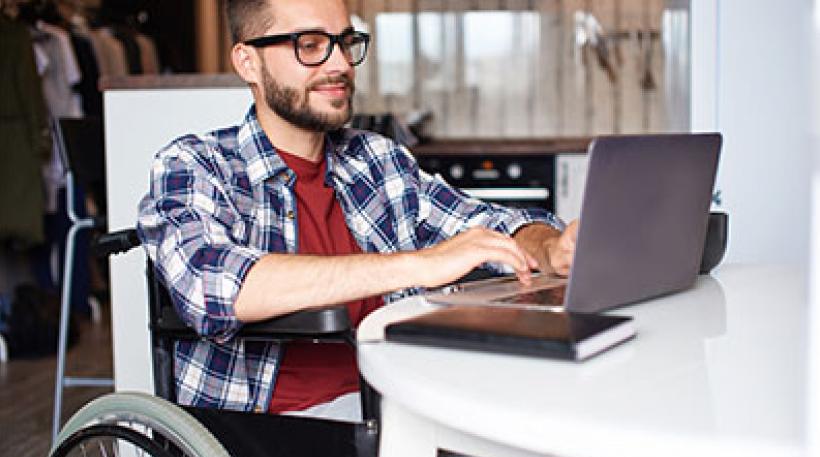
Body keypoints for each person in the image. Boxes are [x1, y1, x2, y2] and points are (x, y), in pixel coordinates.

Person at [137, 0, 578, 421]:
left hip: (400, 393)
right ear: (248, 62)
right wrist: (418, 265)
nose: (340, 65)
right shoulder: (196, 164)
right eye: (309, 45)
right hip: (282, 425)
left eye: (345, 43)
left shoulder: (376, 160)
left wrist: (547, 247)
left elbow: (481, 222)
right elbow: (211, 286)